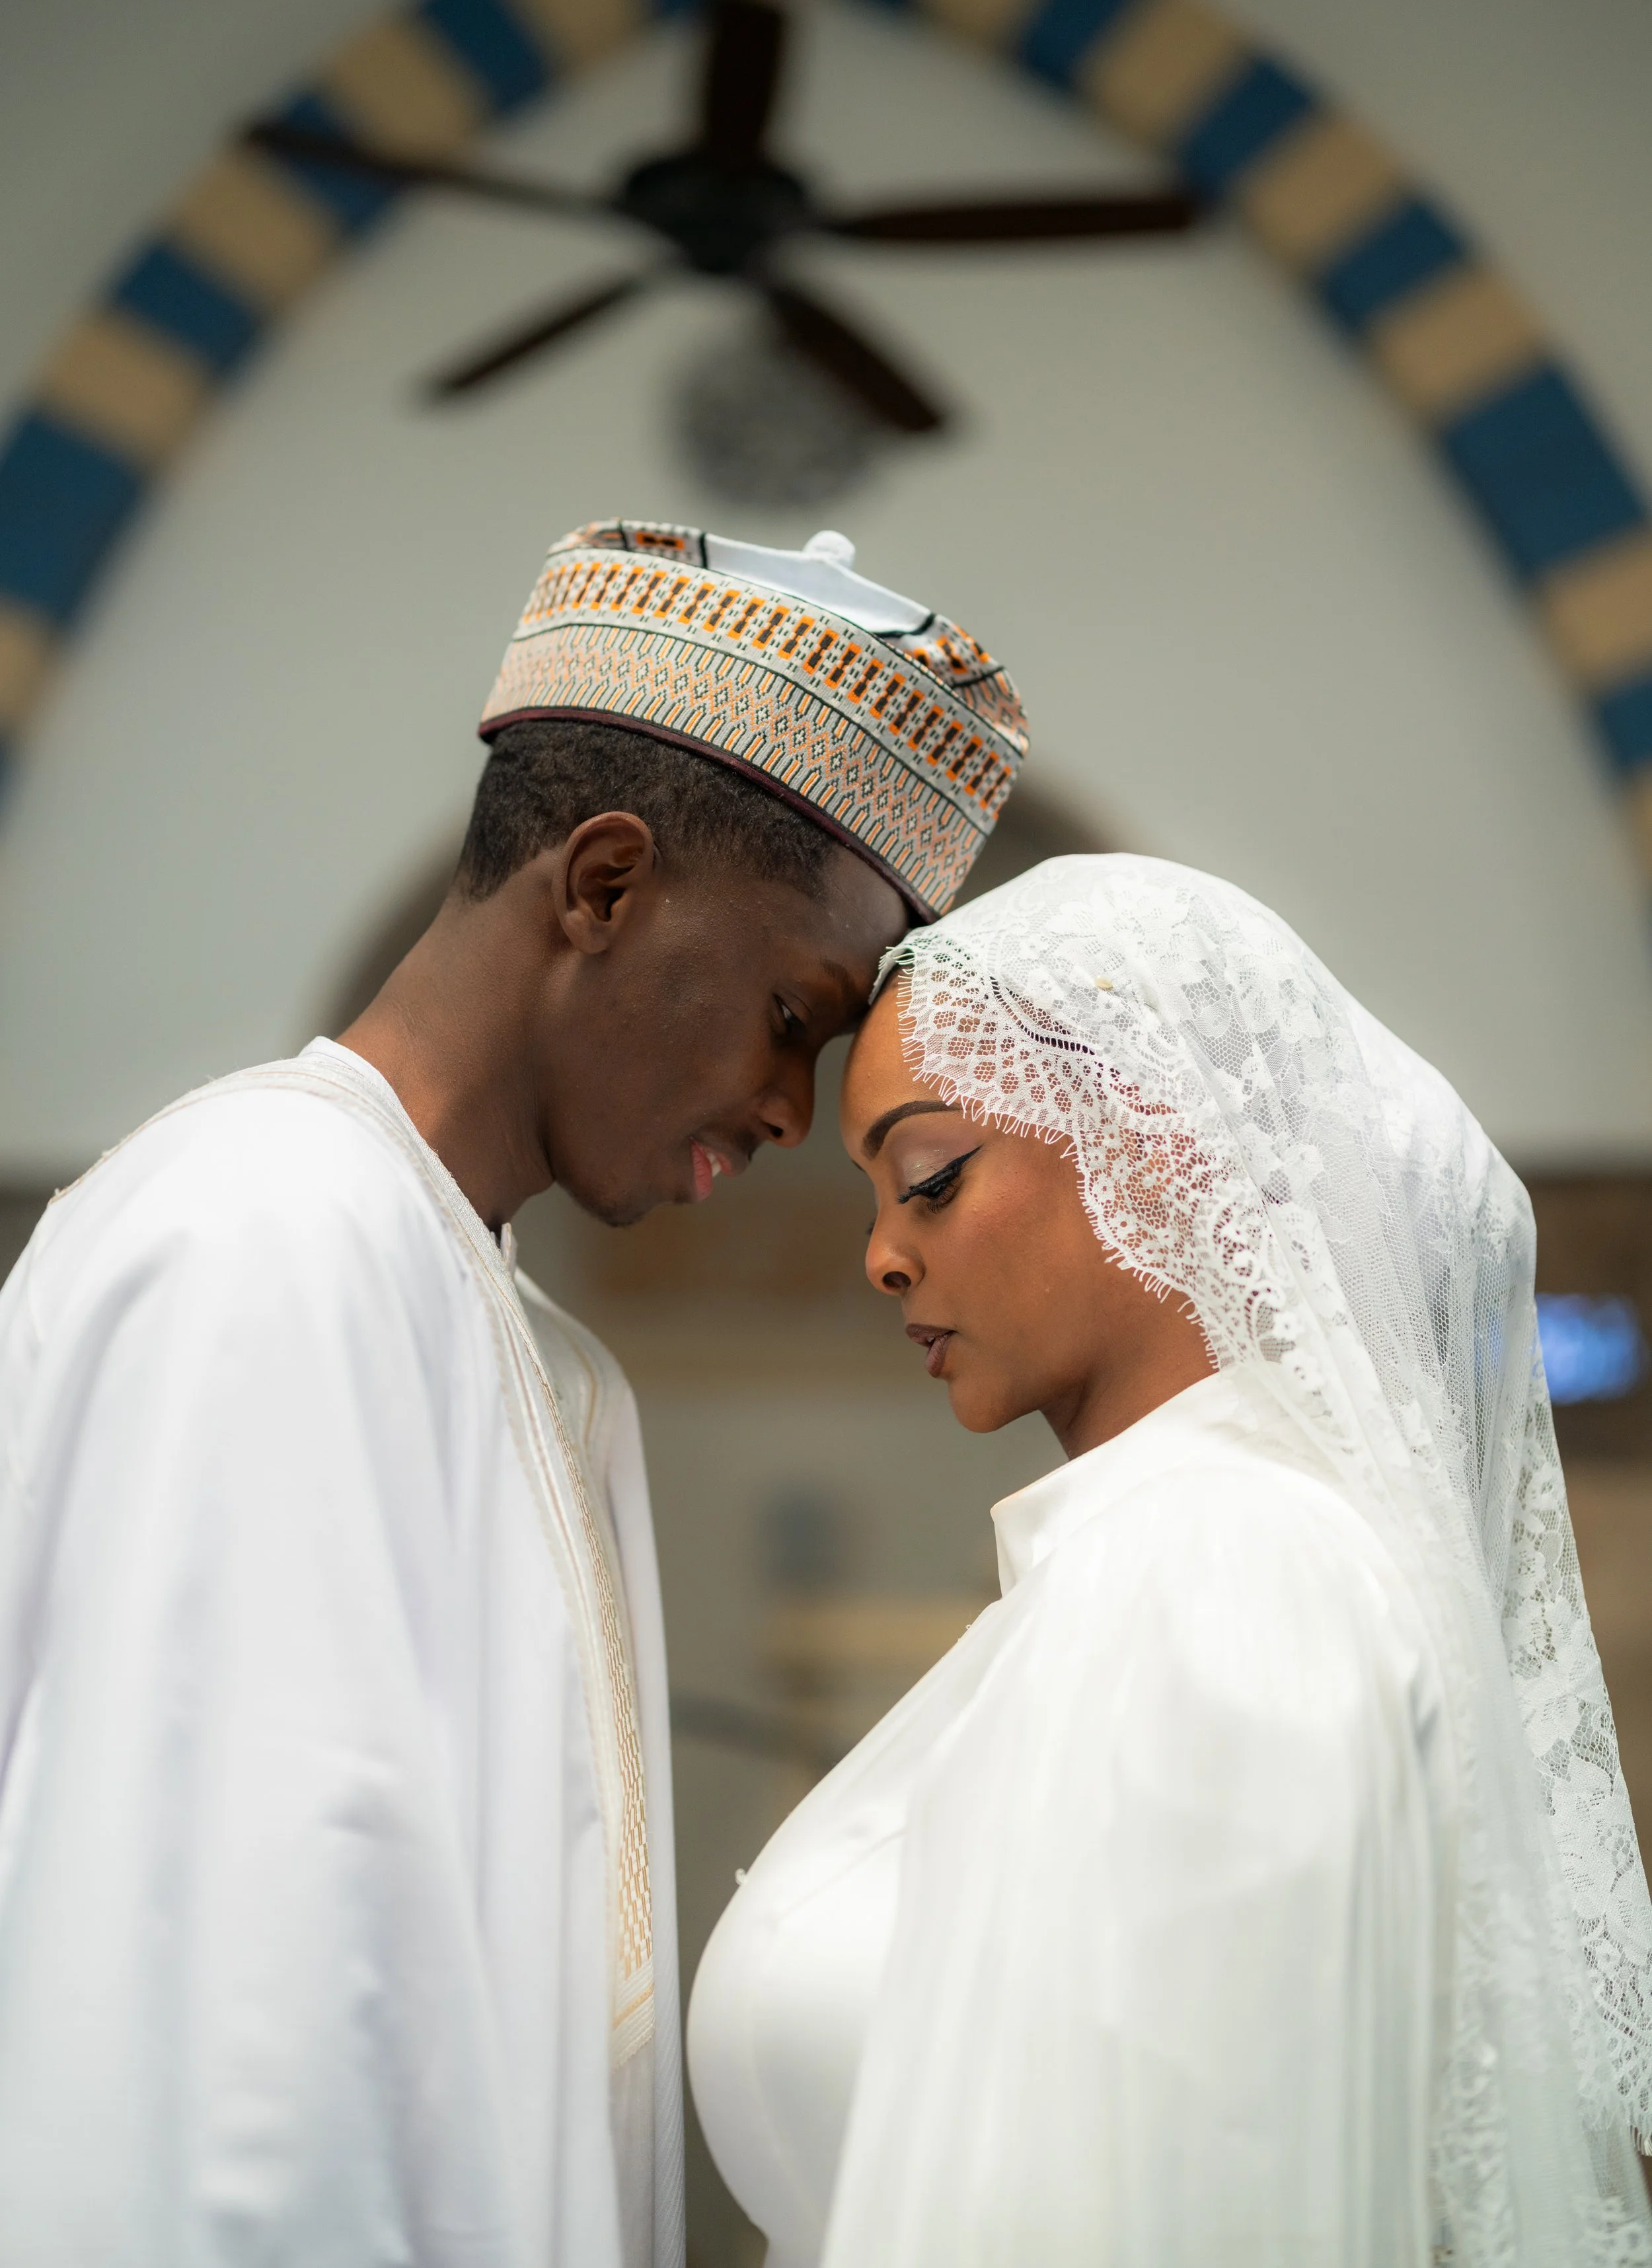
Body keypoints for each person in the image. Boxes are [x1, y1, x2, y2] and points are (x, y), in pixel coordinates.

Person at [0, 517, 1028, 2267]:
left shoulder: (534, 1345)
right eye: (790, 1014)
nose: (791, 1113)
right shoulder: (261, 1233)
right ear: (603, 884)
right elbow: (225, 2055)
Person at [689, 853, 1652, 2268]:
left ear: (1149, 1140)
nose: (881, 1256)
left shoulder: (1225, 1568)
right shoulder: (1158, 1548)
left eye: (928, 1176)